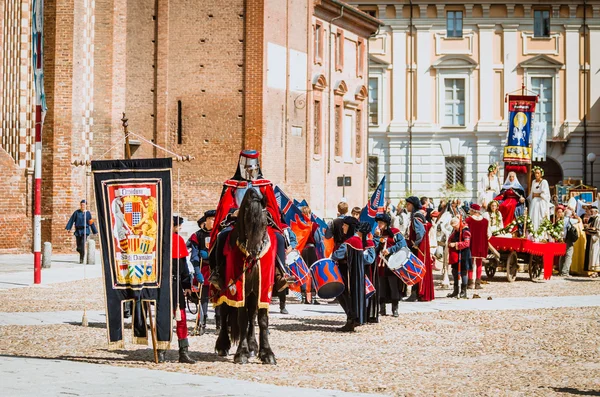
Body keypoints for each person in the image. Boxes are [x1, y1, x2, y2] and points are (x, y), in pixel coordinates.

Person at [208, 149, 284, 288]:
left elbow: (272, 206)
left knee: (279, 238)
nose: (251, 171)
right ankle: (217, 273)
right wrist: (233, 213)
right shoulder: (232, 185)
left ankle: (281, 274)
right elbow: (224, 207)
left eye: (253, 167)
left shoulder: (264, 185)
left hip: (260, 221)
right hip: (237, 222)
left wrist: (265, 213)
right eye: (248, 167)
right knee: (222, 236)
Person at [158, 216, 195, 364]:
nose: (179, 228)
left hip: (175, 284)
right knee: (164, 318)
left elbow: (183, 266)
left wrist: (186, 286)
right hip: (164, 285)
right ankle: (161, 349)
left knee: (181, 318)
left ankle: (183, 351)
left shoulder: (178, 240)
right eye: (177, 226)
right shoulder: (163, 240)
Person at [331, 217, 368, 332]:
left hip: (346, 273)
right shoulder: (358, 241)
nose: (343, 227)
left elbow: (337, 255)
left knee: (344, 296)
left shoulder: (348, 242)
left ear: (350, 227)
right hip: (357, 274)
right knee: (354, 296)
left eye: (345, 225)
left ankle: (350, 320)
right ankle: (354, 319)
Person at [186, 209, 215, 334]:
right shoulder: (197, 235)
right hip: (204, 269)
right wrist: (197, 271)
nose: (214, 221)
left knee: (219, 297)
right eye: (212, 219)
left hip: (216, 269)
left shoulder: (219, 234)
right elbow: (194, 256)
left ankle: (220, 324)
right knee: (202, 298)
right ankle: (201, 323)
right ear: (206, 220)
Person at [373, 213, 407, 319]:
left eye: (381, 223)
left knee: (393, 286)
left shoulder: (395, 232)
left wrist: (390, 250)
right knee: (381, 287)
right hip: (380, 264)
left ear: (386, 223)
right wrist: (377, 237)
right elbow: (374, 247)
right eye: (378, 223)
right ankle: (382, 309)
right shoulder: (378, 233)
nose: (379, 225)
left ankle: (395, 309)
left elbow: (402, 244)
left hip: (392, 263)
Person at [404, 196, 433, 302]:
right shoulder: (417, 215)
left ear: (412, 205)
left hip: (419, 248)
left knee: (416, 269)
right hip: (421, 247)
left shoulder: (416, 216)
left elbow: (420, 232)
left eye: (408, 205)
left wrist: (416, 244)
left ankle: (415, 293)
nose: (406, 206)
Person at [300, 206, 321, 305]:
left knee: (303, 272)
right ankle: (313, 297)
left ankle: (304, 297)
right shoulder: (314, 225)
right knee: (313, 272)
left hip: (302, 250)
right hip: (312, 250)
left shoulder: (299, 225)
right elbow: (318, 239)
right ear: (309, 214)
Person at [447, 217, 471, 299]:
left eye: (455, 226)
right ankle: (455, 290)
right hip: (456, 254)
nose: (454, 228)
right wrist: (450, 242)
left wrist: (456, 244)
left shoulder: (465, 231)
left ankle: (463, 291)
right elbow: (451, 237)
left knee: (463, 272)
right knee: (454, 271)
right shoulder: (456, 231)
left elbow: (467, 243)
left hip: (464, 254)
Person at [465, 204, 488, 290]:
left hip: (471, 244)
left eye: (470, 210)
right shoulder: (485, 221)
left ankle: (470, 283)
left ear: (473, 211)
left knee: (470, 263)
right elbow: (488, 234)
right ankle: (477, 283)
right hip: (481, 244)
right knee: (479, 264)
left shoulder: (468, 220)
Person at [277, 222, 297, 314]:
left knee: (283, 279)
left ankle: (282, 305)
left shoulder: (285, 228)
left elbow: (293, 240)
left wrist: (290, 248)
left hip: (282, 256)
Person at [527, 166, 551, 233]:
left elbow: (545, 193)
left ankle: (541, 233)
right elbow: (532, 193)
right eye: (535, 173)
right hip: (534, 203)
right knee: (533, 217)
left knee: (541, 217)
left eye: (538, 173)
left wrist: (537, 194)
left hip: (541, 203)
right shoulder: (533, 182)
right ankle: (533, 232)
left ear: (541, 174)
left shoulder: (544, 182)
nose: (536, 175)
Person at [559, 206, 578, 277]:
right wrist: (574, 214)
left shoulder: (562, 219)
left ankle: (561, 270)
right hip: (568, 239)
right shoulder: (570, 220)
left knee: (562, 255)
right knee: (568, 255)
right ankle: (565, 272)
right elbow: (579, 220)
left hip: (562, 238)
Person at [584, 206, 600, 277]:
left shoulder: (598, 219)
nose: (591, 213)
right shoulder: (594, 218)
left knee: (596, 255)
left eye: (592, 212)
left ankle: (596, 272)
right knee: (593, 255)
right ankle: (594, 271)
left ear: (596, 211)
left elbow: (598, 230)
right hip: (593, 238)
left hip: (597, 239)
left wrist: (592, 231)